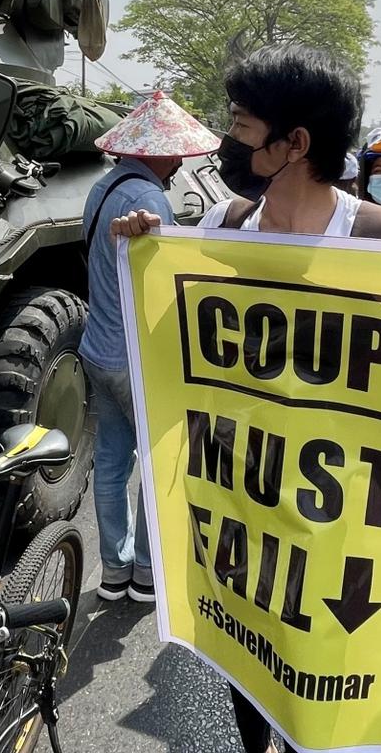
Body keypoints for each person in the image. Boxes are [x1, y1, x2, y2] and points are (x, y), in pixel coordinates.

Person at [113, 46, 381, 753]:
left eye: (241, 126)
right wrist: (144, 261)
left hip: (334, 503)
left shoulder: (377, 238)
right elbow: (174, 355)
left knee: (314, 651)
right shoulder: (223, 227)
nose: (225, 141)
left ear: (294, 143)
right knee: (247, 643)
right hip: (241, 490)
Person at [80, 91, 220, 606]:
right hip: (135, 357)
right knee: (160, 463)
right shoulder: (149, 198)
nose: (180, 162)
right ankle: (145, 572)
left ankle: (113, 572)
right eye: (175, 153)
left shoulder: (101, 188)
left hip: (97, 346)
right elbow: (163, 287)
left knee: (111, 462)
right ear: (160, 154)